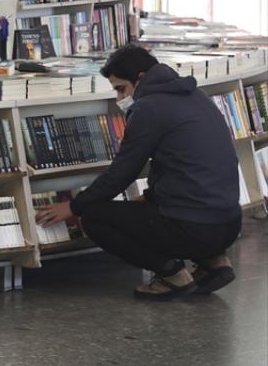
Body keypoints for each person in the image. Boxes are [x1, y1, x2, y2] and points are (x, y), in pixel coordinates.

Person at [36, 45, 243, 299]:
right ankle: (215, 262)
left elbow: (121, 174)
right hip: (230, 224)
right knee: (158, 210)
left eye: (121, 88)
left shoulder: (149, 108)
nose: (119, 98)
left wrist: (73, 207)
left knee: (94, 218)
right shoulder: (195, 95)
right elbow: (184, 165)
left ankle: (172, 275)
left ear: (141, 78)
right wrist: (151, 197)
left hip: (193, 229)